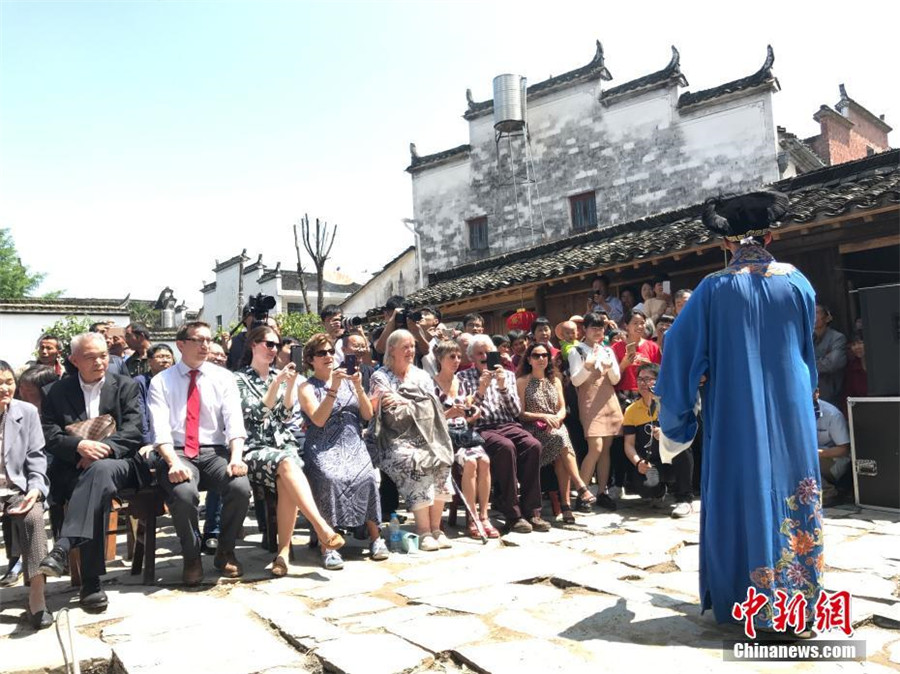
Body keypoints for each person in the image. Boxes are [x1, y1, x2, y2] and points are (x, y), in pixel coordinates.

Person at [656, 190, 822, 636]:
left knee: (741, 491)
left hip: (736, 408)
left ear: (726, 242)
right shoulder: (799, 284)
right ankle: (797, 602)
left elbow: (677, 349)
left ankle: (748, 605)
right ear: (770, 235)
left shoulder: (714, 289)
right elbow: (806, 352)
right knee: (792, 490)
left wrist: (677, 423)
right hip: (793, 414)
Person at [38, 333, 144, 611]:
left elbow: (134, 431)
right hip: (75, 467)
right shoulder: (56, 391)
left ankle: (64, 548)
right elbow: (50, 434)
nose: (99, 362)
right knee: (93, 486)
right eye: (90, 357)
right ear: (74, 360)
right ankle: (91, 582)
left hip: (120, 463)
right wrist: (80, 446)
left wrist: (102, 449)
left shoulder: (125, 386)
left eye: (103, 355)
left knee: (97, 472)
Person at [148, 321, 252, 585]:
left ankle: (225, 551)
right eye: (198, 340)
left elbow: (234, 423)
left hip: (214, 452)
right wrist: (171, 462)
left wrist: (236, 457)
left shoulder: (223, 377)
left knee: (240, 487)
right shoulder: (162, 381)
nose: (206, 345)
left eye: (208, 339)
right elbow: (159, 428)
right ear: (181, 344)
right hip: (177, 452)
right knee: (183, 492)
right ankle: (192, 556)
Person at [236, 326, 345, 575]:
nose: (273, 350)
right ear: (253, 345)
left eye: (276, 345)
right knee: (287, 463)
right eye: (268, 344)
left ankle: (283, 553)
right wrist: (276, 384)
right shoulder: (238, 379)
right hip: (255, 447)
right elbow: (256, 414)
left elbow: (284, 415)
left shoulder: (281, 374)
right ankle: (322, 529)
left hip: (282, 444)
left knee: (287, 471)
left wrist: (289, 386)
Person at [298, 333, 385, 569]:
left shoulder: (349, 380)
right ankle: (328, 544)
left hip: (352, 443)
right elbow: (318, 419)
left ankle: (376, 537)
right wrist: (333, 388)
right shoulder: (306, 387)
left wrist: (357, 386)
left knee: (366, 476)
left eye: (329, 352)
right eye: (321, 353)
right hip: (323, 445)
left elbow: (367, 415)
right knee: (330, 478)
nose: (327, 356)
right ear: (310, 359)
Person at [369, 330, 455, 552]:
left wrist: (406, 402)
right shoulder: (381, 376)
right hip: (393, 438)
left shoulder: (421, 375)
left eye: (412, 346)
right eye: (405, 347)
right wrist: (417, 404)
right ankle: (423, 531)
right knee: (414, 461)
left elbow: (434, 407)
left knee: (441, 459)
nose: (410, 351)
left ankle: (437, 529)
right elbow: (391, 413)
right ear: (392, 350)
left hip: (425, 434)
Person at [458, 335, 546, 534]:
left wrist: (503, 387)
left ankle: (532, 511)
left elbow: (516, 411)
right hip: (481, 427)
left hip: (508, 423)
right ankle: (512, 514)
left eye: (487, 353)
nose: (484, 357)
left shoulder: (506, 374)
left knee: (533, 445)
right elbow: (468, 413)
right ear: (471, 357)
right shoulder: (463, 378)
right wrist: (482, 387)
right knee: (505, 447)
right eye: (479, 353)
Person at [516, 342, 596, 523]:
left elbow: (562, 408)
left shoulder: (555, 380)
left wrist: (557, 419)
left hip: (556, 427)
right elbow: (521, 413)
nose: (541, 359)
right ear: (529, 359)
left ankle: (566, 505)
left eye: (544, 355)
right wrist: (544, 416)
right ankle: (579, 486)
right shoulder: (522, 381)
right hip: (534, 428)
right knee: (562, 440)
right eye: (536, 355)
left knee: (561, 441)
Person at [0, 361, 53, 628]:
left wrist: (35, 488)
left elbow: (36, 457)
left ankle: (36, 596)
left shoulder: (27, 412)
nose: (4, 388)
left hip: (18, 487)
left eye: (8, 382)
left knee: (33, 518)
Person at [432, 339, 498, 539]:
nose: (456, 360)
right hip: (443, 437)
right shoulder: (431, 385)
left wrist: (474, 409)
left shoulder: (461, 382)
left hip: (464, 434)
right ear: (440, 359)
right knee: (470, 462)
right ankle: (472, 517)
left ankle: (484, 515)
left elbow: (472, 406)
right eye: (452, 357)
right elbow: (428, 420)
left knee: (484, 460)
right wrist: (450, 413)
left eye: (459, 356)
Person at [622, 364, 693, 517]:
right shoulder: (631, 410)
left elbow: (686, 433)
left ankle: (684, 498)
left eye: (648, 379)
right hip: (652, 462)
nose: (642, 383)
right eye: (640, 379)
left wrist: (667, 434)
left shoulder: (672, 404)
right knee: (644, 487)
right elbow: (628, 444)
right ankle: (659, 491)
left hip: (672, 458)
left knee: (683, 450)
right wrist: (638, 462)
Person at [568, 312, 622, 511]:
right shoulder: (577, 351)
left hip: (608, 398)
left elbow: (616, 379)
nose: (597, 331)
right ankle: (582, 493)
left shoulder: (608, 350)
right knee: (595, 447)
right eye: (593, 327)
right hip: (589, 400)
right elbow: (575, 380)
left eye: (600, 328)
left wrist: (609, 368)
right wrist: (589, 367)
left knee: (606, 448)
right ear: (585, 329)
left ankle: (602, 491)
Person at [815, 389, 852, 507]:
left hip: (834, 460)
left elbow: (843, 449)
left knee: (804, 460)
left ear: (816, 393)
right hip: (814, 456)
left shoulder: (832, 414)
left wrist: (817, 453)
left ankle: (829, 493)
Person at [813, 303, 847, 405]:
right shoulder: (807, 339)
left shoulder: (838, 338)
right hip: (811, 392)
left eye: (817, 313)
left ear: (827, 318)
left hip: (831, 394)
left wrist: (808, 365)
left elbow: (832, 363)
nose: (813, 316)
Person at [841, 333, 867, 413]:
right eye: (853, 344)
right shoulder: (851, 367)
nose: (857, 347)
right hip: (862, 411)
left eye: (860, 343)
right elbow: (848, 394)